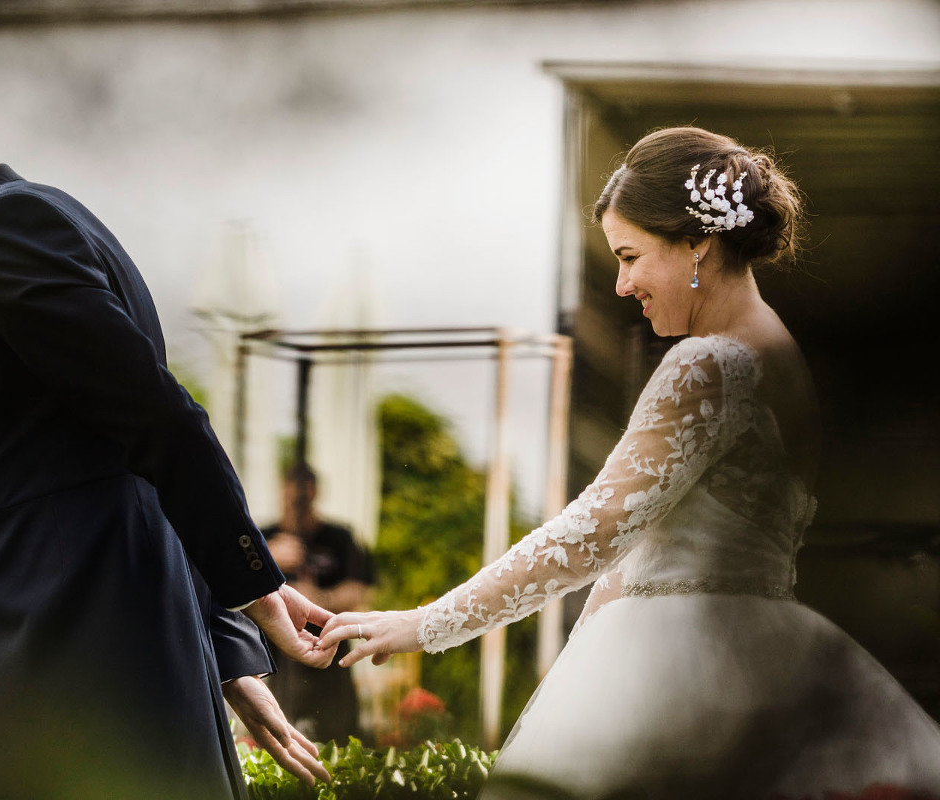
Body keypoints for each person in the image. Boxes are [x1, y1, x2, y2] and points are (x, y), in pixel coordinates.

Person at [317, 127, 940, 799]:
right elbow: (645, 541)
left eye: (630, 256)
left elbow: (592, 530)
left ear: (697, 242)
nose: (620, 285)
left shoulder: (711, 362)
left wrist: (423, 624)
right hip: (768, 648)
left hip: (684, 667)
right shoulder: (785, 359)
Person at [0, 73, 336, 800]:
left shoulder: (13, 227)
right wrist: (226, 652)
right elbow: (124, 441)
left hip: (88, 659)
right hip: (61, 660)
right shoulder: (1, 238)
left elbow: (154, 418)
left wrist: (255, 592)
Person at [261, 462, 375, 743]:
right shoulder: (263, 537)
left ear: (315, 492)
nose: (297, 498)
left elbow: (360, 590)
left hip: (330, 652)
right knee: (275, 732)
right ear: (281, 490)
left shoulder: (339, 538)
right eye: (292, 489)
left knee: (338, 734)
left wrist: (316, 599)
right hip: (276, 657)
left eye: (304, 490)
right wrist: (266, 559)